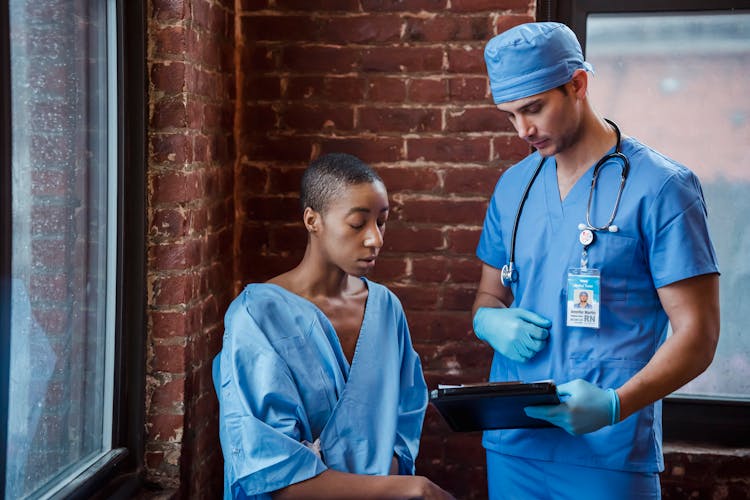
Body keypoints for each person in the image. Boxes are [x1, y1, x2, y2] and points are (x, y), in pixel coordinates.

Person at [471, 22, 720, 499]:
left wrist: (612, 405)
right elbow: (490, 294)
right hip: (514, 445)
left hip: (608, 450)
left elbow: (699, 335)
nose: (523, 130)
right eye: (510, 115)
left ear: (578, 85)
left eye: (534, 108)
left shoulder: (663, 189)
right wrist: (487, 320)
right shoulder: (513, 188)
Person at [212, 153, 454, 500]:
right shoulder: (257, 316)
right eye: (358, 224)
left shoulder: (385, 308)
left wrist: (387, 484)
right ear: (313, 220)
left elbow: (404, 419)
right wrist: (407, 489)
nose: (376, 239)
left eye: (381, 222)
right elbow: (273, 475)